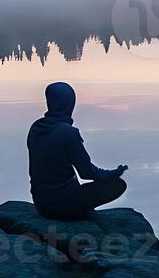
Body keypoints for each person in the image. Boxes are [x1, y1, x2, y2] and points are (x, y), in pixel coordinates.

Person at [27, 82, 129, 221]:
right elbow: (87, 172)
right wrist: (112, 174)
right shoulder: (68, 133)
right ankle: (77, 212)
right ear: (69, 104)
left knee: (75, 187)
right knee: (118, 185)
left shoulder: (35, 128)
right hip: (63, 205)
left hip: (41, 204)